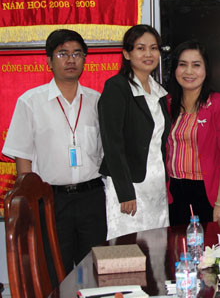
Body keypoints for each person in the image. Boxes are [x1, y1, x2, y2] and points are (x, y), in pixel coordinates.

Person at [3, 29, 106, 273]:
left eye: (77, 54)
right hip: (50, 200)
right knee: (54, 270)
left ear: (84, 60)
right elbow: (22, 157)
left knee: (95, 269)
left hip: (92, 198)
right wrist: (30, 202)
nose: (71, 60)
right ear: (49, 61)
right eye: (62, 54)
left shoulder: (97, 101)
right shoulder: (31, 101)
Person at [98, 24, 171, 240]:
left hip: (156, 185)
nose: (148, 54)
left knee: (158, 246)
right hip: (130, 187)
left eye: (153, 48)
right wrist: (125, 191)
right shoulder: (117, 87)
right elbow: (112, 143)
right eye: (141, 48)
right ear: (126, 54)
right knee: (128, 247)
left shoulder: (158, 91)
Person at [166, 41, 220, 225]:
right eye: (182, 64)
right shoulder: (167, 103)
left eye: (196, 65)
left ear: (206, 70)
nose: (189, 71)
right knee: (177, 242)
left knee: (206, 243)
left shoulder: (219, 103)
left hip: (206, 192)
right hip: (173, 192)